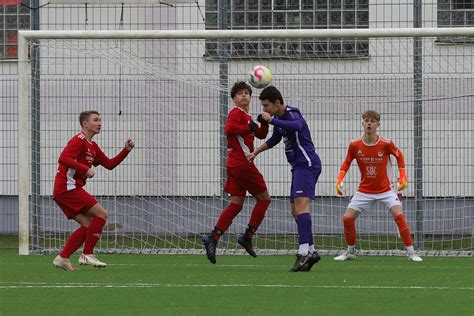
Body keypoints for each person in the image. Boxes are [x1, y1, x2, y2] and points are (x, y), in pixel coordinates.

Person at [247, 86, 322, 272]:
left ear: (278, 103)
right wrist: (256, 152)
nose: (264, 110)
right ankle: (311, 251)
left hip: (307, 164)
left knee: (301, 207)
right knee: (295, 211)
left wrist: (272, 120)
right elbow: (274, 139)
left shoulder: (291, 113)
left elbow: (296, 125)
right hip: (298, 167)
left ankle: (303, 253)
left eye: (266, 106)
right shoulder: (279, 120)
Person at [334, 110, 422, 262]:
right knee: (347, 219)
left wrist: (403, 176)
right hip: (364, 190)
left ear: (378, 124)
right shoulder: (355, 145)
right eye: (366, 120)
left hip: (386, 190)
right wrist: (339, 179)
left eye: (372, 121)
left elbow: (399, 155)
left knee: (399, 216)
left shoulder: (386, 144)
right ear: (362, 123)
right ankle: (350, 251)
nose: (369, 123)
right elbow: (347, 161)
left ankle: (412, 252)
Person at [52, 111, 135, 270]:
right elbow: (63, 158)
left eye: (100, 120)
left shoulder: (93, 146)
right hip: (66, 188)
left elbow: (110, 164)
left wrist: (126, 150)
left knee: (89, 225)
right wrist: (85, 169)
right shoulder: (79, 139)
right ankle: (88, 254)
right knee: (102, 214)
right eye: (95, 120)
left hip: (66, 191)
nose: (99, 123)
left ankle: (63, 258)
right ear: (85, 124)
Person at [202, 81, 272, 264]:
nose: (244, 95)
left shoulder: (247, 117)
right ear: (234, 98)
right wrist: (248, 128)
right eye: (240, 93)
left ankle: (213, 236)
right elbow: (229, 129)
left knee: (236, 203)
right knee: (264, 199)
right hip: (242, 164)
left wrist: (264, 123)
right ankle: (247, 236)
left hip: (235, 165)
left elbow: (261, 135)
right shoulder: (236, 113)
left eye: (247, 93)